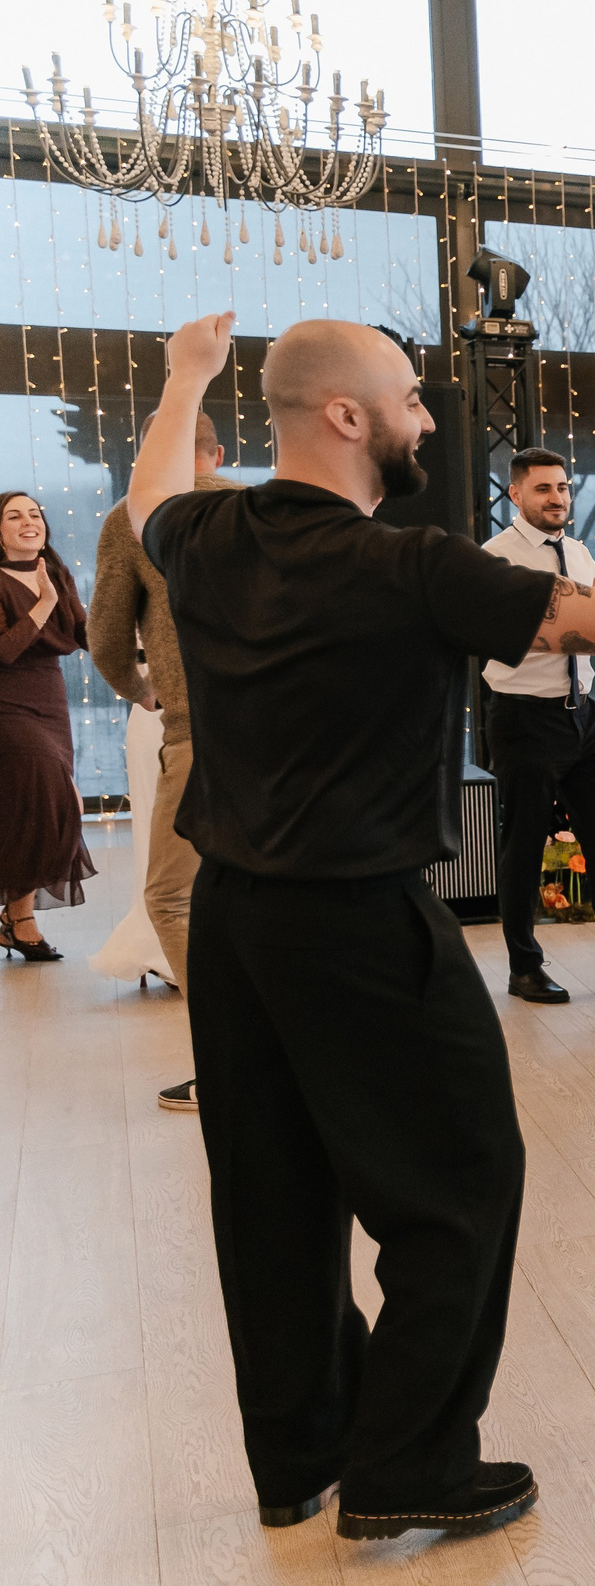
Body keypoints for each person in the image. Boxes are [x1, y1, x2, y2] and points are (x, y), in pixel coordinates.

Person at [130, 311, 595, 1540]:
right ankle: (407, 1465)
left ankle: (298, 1462)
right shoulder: (408, 566)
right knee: (465, 1181)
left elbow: (146, 495)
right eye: (410, 397)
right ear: (346, 416)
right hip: (358, 920)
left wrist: (186, 379)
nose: (429, 418)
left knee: (269, 1197)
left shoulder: (207, 537)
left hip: (237, 927)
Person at [481, 448, 595, 1005]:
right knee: (522, 846)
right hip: (523, 716)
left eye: (562, 487)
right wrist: (585, 616)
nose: (558, 498)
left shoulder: (580, 551)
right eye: (543, 489)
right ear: (516, 494)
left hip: (582, 715)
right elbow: (505, 642)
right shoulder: (496, 558)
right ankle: (523, 968)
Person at [90, 408, 238, 1102]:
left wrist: (141, 689)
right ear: (219, 451)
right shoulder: (255, 507)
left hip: (199, 730)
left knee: (170, 895)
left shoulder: (131, 518)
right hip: (287, 731)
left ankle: (234, 1068)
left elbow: (108, 640)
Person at [0, 490, 92, 959]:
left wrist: (140, 651)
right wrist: (42, 604)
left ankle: (15, 917)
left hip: (50, 700)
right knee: (49, 795)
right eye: (14, 516)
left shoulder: (55, 572)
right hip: (7, 702)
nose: (27, 522)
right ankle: (22, 918)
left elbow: (82, 632)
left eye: (33, 514)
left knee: (35, 813)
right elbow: (4, 650)